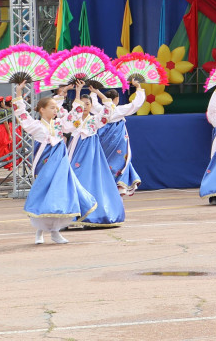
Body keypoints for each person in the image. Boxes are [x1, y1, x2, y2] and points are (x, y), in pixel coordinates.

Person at [11, 83, 96, 244]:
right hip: (45, 165)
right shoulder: (35, 126)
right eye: (52, 108)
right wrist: (19, 91)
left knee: (58, 196)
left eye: (56, 108)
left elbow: (72, 117)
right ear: (42, 109)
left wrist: (77, 92)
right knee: (44, 196)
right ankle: (39, 232)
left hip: (60, 166)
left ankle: (56, 232)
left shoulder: (59, 124)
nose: (55, 111)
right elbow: (22, 114)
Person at [66, 84, 126, 229]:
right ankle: (72, 216)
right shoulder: (73, 120)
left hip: (91, 155)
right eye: (83, 104)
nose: (85, 106)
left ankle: (91, 215)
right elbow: (75, 108)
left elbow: (108, 109)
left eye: (88, 104)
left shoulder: (95, 120)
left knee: (91, 181)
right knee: (73, 180)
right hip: (75, 152)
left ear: (92, 106)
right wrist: (78, 91)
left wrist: (98, 93)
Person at [98, 85, 146, 195]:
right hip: (118, 141)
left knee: (105, 162)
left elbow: (94, 105)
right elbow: (136, 104)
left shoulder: (101, 111)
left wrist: (93, 93)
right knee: (120, 163)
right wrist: (138, 88)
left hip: (103, 141)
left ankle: (105, 185)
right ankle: (117, 185)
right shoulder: (119, 110)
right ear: (117, 99)